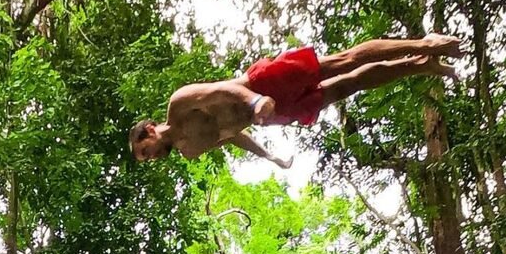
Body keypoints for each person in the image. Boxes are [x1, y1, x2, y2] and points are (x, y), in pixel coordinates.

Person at [129, 34, 462, 169]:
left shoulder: (178, 104)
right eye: (146, 159)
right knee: (349, 86)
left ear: (149, 131)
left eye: (145, 151)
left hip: (261, 85)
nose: (150, 158)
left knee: (343, 62)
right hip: (271, 114)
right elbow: (232, 135)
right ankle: (420, 66)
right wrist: (269, 156)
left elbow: (220, 91)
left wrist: (256, 99)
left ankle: (424, 45)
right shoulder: (191, 150)